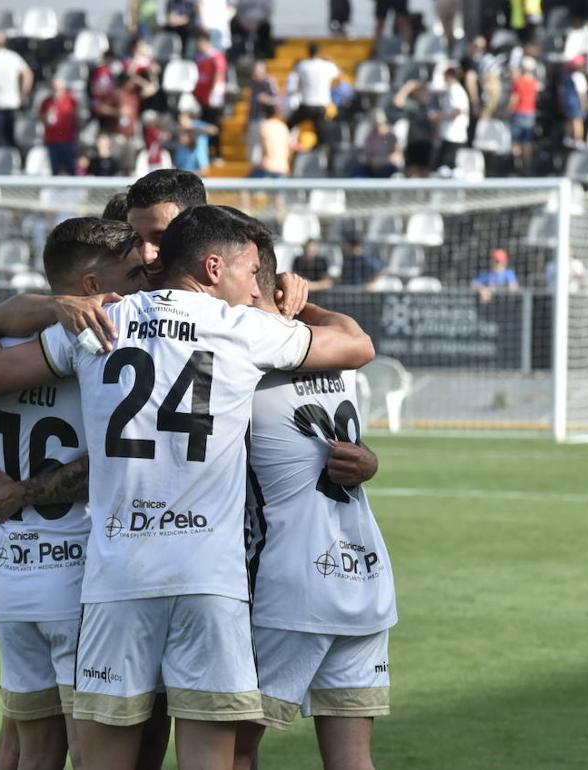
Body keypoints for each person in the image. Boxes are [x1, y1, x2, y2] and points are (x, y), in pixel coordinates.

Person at [0, 204, 374, 770]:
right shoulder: (244, 327)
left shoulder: (98, 319)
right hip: (209, 580)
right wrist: (290, 306)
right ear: (213, 267)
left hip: (117, 579)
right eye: (251, 270)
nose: (255, 284)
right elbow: (357, 347)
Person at [0, 219, 149, 770]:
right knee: (92, 754)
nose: (141, 282)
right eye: (130, 273)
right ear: (90, 286)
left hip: (14, 579)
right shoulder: (99, 342)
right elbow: (114, 459)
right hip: (82, 578)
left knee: (32, 754)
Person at [235, 238, 393, 770]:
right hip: (364, 576)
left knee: (231, 748)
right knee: (352, 761)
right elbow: (356, 335)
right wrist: (302, 307)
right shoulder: (336, 345)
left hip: (288, 583)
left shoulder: (244, 359)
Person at [288, 43, 340, 137]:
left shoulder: (302, 65)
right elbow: (338, 77)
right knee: (322, 133)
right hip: (321, 105)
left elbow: (297, 80)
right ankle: (324, 148)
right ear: (320, 53)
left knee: (289, 125)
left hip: (306, 104)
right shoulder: (327, 65)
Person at [193, 33, 227, 161]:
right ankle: (207, 154)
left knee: (215, 125)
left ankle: (217, 153)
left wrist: (214, 94)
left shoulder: (216, 56)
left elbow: (219, 74)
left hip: (213, 99)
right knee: (204, 125)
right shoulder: (200, 58)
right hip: (202, 98)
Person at [41, 78, 80, 176]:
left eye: (58, 88)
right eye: (53, 88)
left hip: (68, 141)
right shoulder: (46, 102)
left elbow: (77, 118)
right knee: (55, 170)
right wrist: (46, 117)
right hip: (52, 142)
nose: (55, 90)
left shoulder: (71, 100)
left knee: (71, 169)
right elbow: (41, 118)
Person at [508, 57, 540, 174]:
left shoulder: (518, 82)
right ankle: (527, 165)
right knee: (527, 141)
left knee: (516, 140)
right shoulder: (535, 82)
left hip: (519, 112)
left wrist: (509, 111)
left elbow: (514, 99)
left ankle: (518, 165)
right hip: (530, 113)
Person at [434, 67, 470, 171]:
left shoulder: (455, 90)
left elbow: (460, 110)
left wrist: (440, 116)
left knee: (446, 167)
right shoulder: (455, 89)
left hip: (453, 134)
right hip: (452, 134)